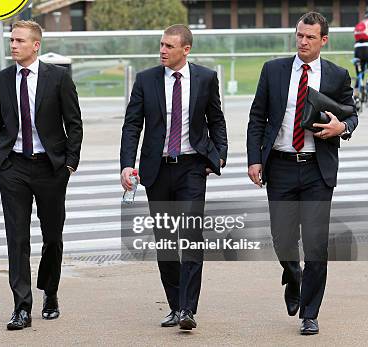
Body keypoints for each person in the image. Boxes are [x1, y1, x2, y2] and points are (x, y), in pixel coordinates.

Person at [247, 12, 357, 335]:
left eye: (310, 37)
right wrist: (255, 159)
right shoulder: (273, 70)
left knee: (316, 245)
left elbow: (351, 115)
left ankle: (310, 313)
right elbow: (257, 117)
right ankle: (292, 274)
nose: (303, 42)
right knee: (282, 240)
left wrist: (342, 127)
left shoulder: (338, 76)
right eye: (299, 35)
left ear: (324, 40)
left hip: (317, 170)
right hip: (279, 166)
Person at [120, 24, 227, 331]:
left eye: (169, 46)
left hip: (192, 167)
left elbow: (216, 119)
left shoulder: (206, 78)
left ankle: (188, 309)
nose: (163, 50)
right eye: (161, 45)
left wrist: (219, 154)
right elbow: (132, 126)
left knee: (191, 237)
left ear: (186, 50)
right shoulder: (146, 80)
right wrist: (127, 164)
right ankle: (175, 305)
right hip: (157, 169)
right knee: (166, 242)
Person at [0, 20, 83, 330]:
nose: (13, 45)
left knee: (52, 237)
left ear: (35, 45)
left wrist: (69, 164)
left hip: (50, 168)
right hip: (13, 167)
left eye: (20, 41)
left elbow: (74, 123)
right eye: (11, 40)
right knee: (17, 238)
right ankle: (21, 306)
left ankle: (50, 292)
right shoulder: (0, 80)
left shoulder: (58, 79)